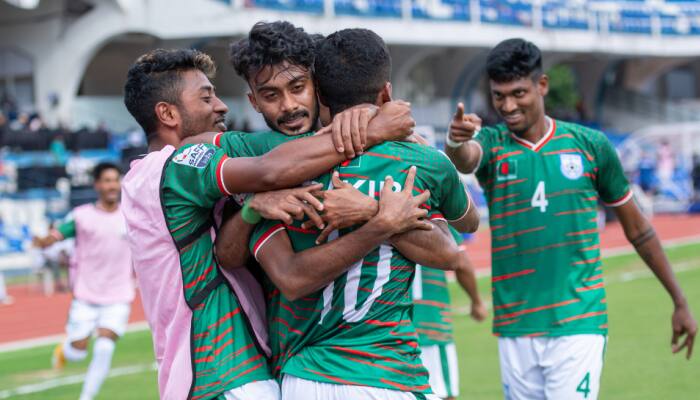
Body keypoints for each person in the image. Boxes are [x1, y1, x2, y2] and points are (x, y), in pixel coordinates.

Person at [121, 47, 418, 400]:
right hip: (222, 373)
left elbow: (226, 255)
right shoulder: (177, 165)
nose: (221, 106)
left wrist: (253, 208)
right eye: (206, 97)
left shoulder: (147, 177)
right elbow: (269, 170)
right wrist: (373, 130)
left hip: (230, 373)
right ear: (168, 113)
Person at [231, 28, 479, 400]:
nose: (288, 106)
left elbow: (448, 251)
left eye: (298, 87)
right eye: (270, 95)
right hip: (379, 374)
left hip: (309, 379)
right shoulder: (264, 164)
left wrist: (369, 209)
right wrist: (380, 215)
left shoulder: (268, 164)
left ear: (320, 89)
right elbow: (459, 239)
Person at [444, 38, 697, 400]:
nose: (508, 105)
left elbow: (637, 229)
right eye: (499, 96)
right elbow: (466, 157)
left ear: (542, 85)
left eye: (518, 92)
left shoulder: (590, 145)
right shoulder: (493, 142)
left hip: (578, 321)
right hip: (516, 325)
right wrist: (455, 143)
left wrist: (680, 300)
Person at [33, 162, 133, 400]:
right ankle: (65, 350)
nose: (112, 185)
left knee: (105, 347)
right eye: (106, 180)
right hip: (86, 296)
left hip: (119, 295)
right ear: (97, 184)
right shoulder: (81, 217)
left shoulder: (131, 215)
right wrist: (43, 241)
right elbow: (57, 235)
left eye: (115, 180)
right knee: (77, 353)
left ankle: (86, 397)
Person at [412, 226, 487, 400]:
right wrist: (476, 301)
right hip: (430, 325)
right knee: (443, 395)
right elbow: (462, 263)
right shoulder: (435, 220)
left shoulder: (381, 218)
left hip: (389, 329)